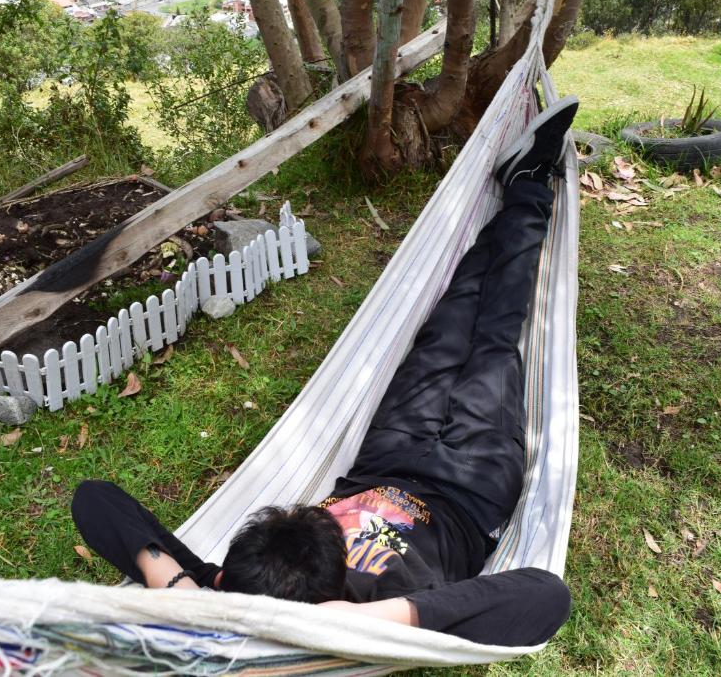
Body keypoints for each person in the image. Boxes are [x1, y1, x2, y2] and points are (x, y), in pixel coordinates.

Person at [71, 95, 580, 648]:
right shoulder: (377, 614)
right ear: (336, 595)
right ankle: (529, 186)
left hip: (385, 456)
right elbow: (544, 596)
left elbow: (95, 499)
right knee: (496, 338)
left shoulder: (242, 589)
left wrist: (182, 588)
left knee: (449, 325)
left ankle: (505, 211)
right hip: (468, 487)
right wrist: (363, 620)